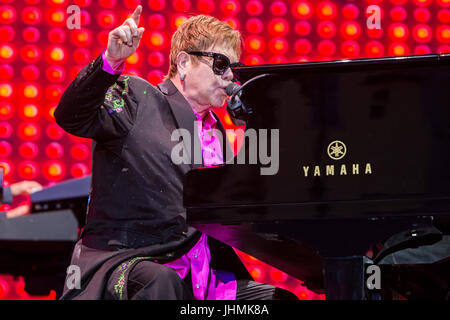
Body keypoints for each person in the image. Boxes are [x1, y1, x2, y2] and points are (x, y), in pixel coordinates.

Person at [55, 6, 297, 300]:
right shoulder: (137, 99)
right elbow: (70, 115)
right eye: (220, 64)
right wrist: (112, 61)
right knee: (162, 282)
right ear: (183, 62)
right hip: (131, 264)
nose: (230, 75)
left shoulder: (217, 131)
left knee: (278, 301)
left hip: (202, 280)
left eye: (234, 67)